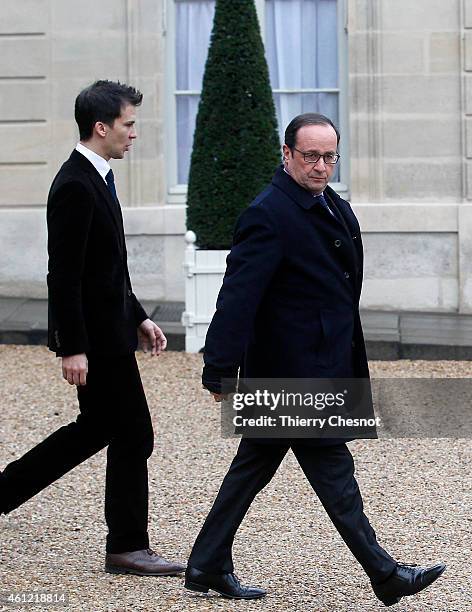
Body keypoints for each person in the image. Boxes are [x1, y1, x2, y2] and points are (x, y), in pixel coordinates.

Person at [184, 113, 445, 605]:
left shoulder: (328, 203)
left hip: (318, 359)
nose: (321, 166)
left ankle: (206, 564)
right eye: (311, 156)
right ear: (287, 154)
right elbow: (237, 296)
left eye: (329, 157)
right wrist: (219, 367)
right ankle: (384, 573)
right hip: (295, 370)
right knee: (332, 470)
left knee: (253, 467)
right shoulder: (269, 213)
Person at [0, 80, 184, 578]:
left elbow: (108, 268)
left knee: (95, 430)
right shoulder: (75, 184)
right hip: (97, 343)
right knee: (134, 433)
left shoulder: (98, 176)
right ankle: (127, 545)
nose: (134, 134)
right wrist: (72, 347)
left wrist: (139, 314)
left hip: (111, 332)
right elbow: (63, 275)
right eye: (128, 125)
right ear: (101, 128)